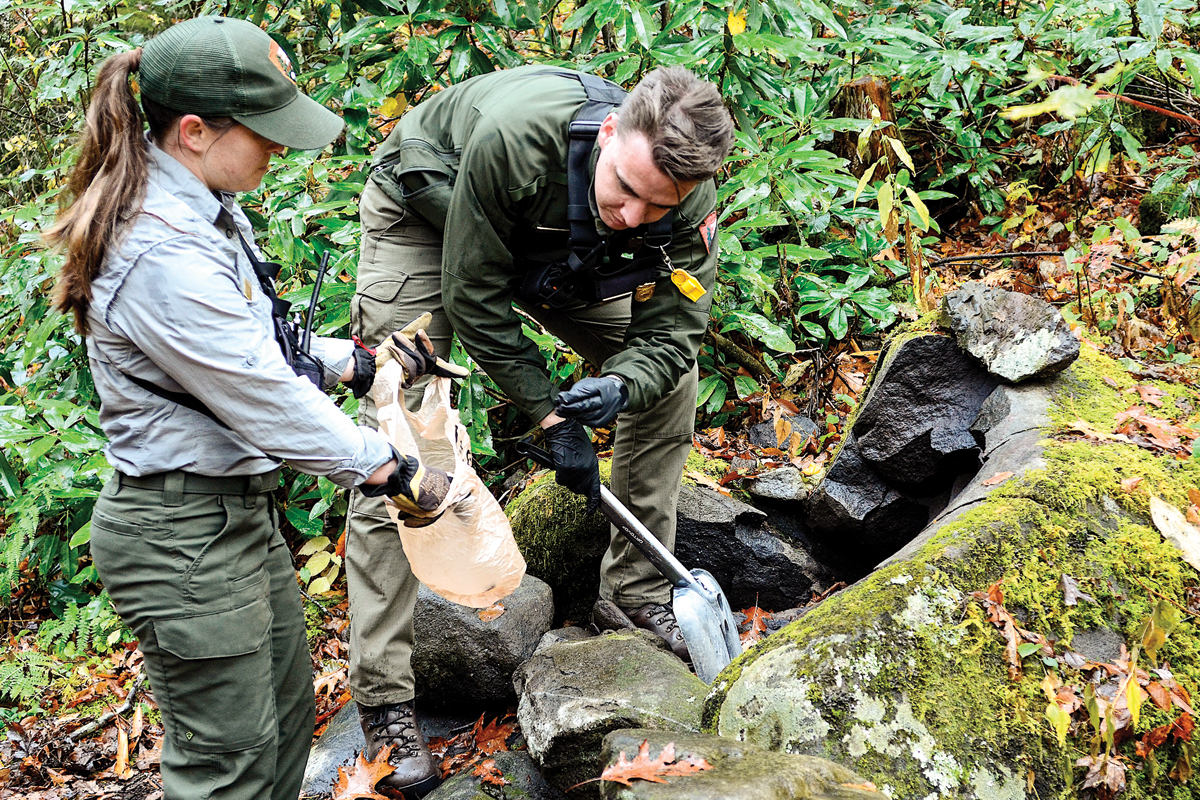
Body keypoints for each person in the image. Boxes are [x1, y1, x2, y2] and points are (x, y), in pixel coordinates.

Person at [44, 16, 463, 800]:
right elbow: (263, 397)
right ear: (196, 131)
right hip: (179, 538)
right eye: (265, 133)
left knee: (280, 730)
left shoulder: (204, 205)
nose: (279, 149)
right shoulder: (158, 248)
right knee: (226, 768)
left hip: (233, 520)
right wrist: (392, 470)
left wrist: (359, 359)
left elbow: (256, 343)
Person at [347, 64, 734, 795]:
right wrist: (552, 418)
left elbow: (674, 331)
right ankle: (386, 700)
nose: (633, 216)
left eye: (658, 206)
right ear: (612, 130)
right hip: (429, 211)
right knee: (401, 435)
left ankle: (639, 593)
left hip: (559, 252)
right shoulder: (517, 140)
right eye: (625, 190)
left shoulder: (681, 199)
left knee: (666, 387)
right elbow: (474, 294)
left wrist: (620, 385)